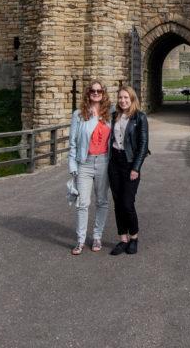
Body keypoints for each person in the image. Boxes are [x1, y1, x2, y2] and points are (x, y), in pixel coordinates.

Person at [68, 80, 112, 254]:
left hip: (103, 162)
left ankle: (97, 237)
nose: (95, 93)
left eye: (99, 91)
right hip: (84, 163)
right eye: (92, 91)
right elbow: (72, 143)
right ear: (88, 93)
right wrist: (72, 165)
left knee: (102, 201)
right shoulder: (79, 114)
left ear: (103, 93)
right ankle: (80, 240)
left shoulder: (110, 113)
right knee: (82, 203)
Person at [107, 85, 149, 255]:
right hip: (114, 162)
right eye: (120, 98)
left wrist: (136, 167)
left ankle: (134, 237)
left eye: (126, 98)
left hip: (130, 163)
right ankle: (123, 238)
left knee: (127, 202)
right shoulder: (113, 116)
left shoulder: (139, 117)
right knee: (118, 203)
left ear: (132, 99)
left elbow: (143, 145)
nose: (123, 100)